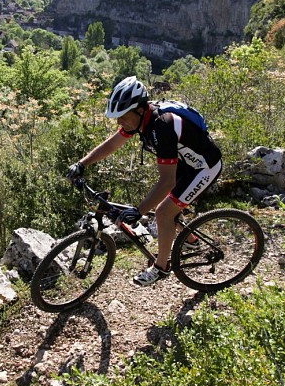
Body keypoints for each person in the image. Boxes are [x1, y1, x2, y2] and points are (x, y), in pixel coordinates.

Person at [66, 76, 223, 286]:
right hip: (186, 164)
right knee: (170, 206)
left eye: (122, 116)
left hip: (205, 168)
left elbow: (167, 181)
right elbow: (112, 144)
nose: (119, 122)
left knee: (163, 211)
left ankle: (161, 267)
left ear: (140, 110)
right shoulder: (141, 120)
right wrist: (82, 164)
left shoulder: (162, 127)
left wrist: (138, 211)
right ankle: (191, 241)